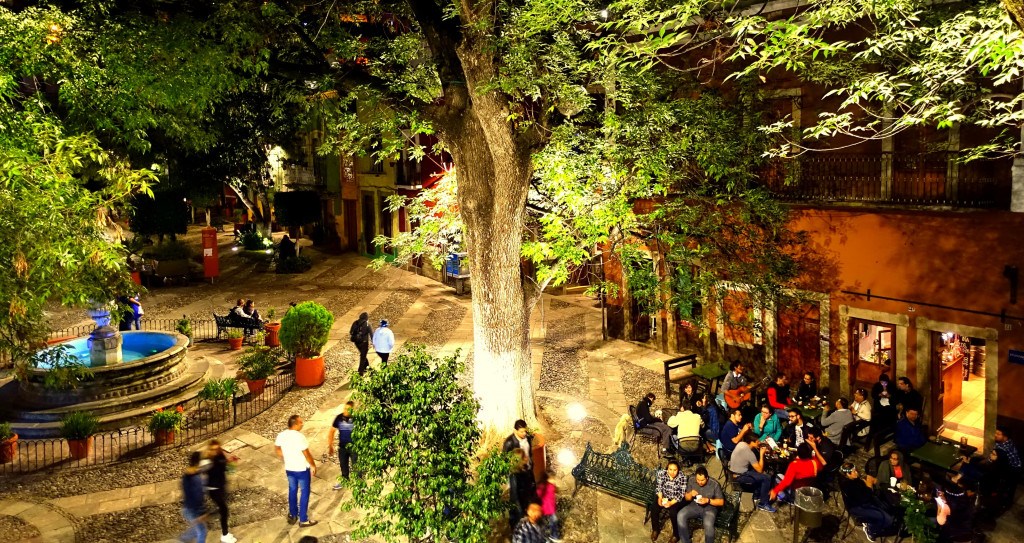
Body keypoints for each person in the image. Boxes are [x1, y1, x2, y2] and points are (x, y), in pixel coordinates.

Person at [274, 415, 318, 527]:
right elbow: (306, 454)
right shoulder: (300, 437)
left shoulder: (281, 435)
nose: (302, 424)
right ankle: (303, 519)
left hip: (289, 468)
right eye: (300, 422)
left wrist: (286, 457)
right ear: (295, 424)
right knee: (304, 492)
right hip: (301, 469)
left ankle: (293, 514)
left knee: (292, 490)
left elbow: (277, 449)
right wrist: (313, 465)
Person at [838, 462, 896, 542]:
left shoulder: (852, 479)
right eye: (854, 471)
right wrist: (869, 485)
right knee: (887, 520)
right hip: (857, 507)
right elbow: (865, 498)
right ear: (848, 474)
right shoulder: (849, 486)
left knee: (887, 509)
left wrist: (865, 482)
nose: (856, 472)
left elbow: (861, 487)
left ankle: (872, 521)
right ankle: (871, 531)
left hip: (865, 502)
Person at [729, 433, 777, 512]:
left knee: (761, 473)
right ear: (751, 442)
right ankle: (763, 503)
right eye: (757, 441)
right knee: (766, 478)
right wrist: (761, 454)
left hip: (734, 471)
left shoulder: (741, 444)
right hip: (740, 476)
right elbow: (760, 470)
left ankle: (758, 494)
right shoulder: (749, 453)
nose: (759, 443)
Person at [678, 466, 726, 543]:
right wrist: (690, 494)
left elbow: (721, 502)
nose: (700, 482)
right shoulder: (691, 480)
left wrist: (708, 500)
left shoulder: (714, 484)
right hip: (695, 505)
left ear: (707, 478)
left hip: (710, 508)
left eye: (702, 480)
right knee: (680, 515)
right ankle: (685, 541)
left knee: (708, 524)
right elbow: (687, 498)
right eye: (698, 480)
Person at [770, 437, 827, 502]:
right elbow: (821, 467)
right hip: (809, 491)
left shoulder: (794, 465)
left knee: (777, 476)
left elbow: (786, 482)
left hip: (796, 493)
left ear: (798, 453)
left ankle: (786, 498)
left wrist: (775, 491)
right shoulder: (815, 462)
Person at [204, 440, 239, 543]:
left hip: (221, 487)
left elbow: (228, 470)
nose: (215, 451)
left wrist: (231, 462)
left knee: (222, 509)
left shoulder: (220, 457)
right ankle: (225, 534)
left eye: (217, 448)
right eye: (213, 449)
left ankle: (208, 516)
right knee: (224, 511)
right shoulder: (208, 461)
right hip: (214, 490)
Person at [503, 420, 536, 527]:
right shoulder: (509, 443)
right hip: (516, 472)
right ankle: (515, 521)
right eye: (521, 432)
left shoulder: (528, 438)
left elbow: (529, 452)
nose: (524, 434)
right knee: (515, 496)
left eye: (525, 431)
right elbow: (505, 459)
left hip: (528, 469)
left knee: (528, 491)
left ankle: (527, 512)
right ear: (515, 431)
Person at [651, 460, 688, 542]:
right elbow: (659, 487)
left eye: (675, 470)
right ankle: (655, 529)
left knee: (673, 512)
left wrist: (671, 503)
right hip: (664, 496)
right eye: (670, 469)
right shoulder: (662, 474)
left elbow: (681, 494)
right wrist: (660, 498)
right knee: (654, 508)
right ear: (667, 469)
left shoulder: (682, 477)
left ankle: (676, 535)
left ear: (678, 470)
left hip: (675, 499)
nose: (672, 472)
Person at [179, 451, 208, 543]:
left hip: (187, 507)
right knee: (202, 531)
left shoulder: (186, 475)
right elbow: (197, 496)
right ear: (198, 462)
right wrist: (201, 513)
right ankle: (182, 540)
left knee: (197, 528)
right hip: (194, 509)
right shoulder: (196, 478)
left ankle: (183, 539)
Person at [328, 401, 356, 490]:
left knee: (357, 466)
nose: (345, 411)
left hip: (354, 447)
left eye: (348, 409)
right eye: (344, 408)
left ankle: (359, 484)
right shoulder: (339, 418)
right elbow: (332, 431)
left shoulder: (356, 418)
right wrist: (330, 445)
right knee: (343, 465)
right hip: (343, 447)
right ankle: (345, 480)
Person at [535, 471, 561, 542]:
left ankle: (554, 536)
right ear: (547, 479)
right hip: (544, 509)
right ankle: (545, 538)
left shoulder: (551, 486)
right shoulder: (542, 487)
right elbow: (538, 495)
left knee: (554, 522)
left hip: (551, 509)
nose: (554, 480)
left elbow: (556, 491)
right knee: (544, 525)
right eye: (552, 478)